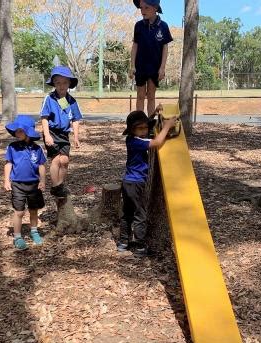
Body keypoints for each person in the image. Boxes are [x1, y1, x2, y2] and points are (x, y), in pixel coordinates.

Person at [117, 107, 176, 256]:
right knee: (139, 214)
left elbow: (147, 128)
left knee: (127, 212)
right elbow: (156, 143)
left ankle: (123, 243)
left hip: (128, 182)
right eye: (140, 128)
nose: (144, 131)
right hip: (136, 184)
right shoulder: (135, 142)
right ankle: (139, 246)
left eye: (145, 128)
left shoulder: (134, 138)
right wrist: (168, 126)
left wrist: (154, 113)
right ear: (132, 131)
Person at [4, 115, 47, 250]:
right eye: (16, 131)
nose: (17, 133)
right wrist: (6, 180)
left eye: (20, 131)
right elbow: (8, 163)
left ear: (28, 132)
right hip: (17, 184)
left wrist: (43, 181)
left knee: (33, 210)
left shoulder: (37, 149)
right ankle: (17, 237)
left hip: (34, 184)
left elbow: (41, 165)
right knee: (19, 211)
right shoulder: (12, 147)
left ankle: (34, 231)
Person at [40, 65, 82, 198]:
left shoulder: (70, 101)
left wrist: (76, 137)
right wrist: (46, 135)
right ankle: (55, 186)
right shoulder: (49, 99)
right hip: (51, 132)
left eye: (64, 82)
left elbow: (74, 119)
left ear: (69, 83)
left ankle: (60, 184)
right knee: (56, 160)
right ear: (54, 84)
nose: (61, 86)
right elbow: (44, 118)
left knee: (64, 161)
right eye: (58, 83)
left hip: (64, 134)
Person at [130, 0, 173, 117]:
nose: (142, 11)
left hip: (154, 68)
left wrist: (162, 68)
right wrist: (132, 66)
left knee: (151, 97)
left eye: (146, 8)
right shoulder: (138, 26)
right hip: (140, 67)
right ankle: (138, 123)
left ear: (155, 8)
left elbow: (165, 47)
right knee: (140, 96)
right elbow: (135, 46)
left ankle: (149, 124)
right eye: (141, 8)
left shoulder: (163, 26)